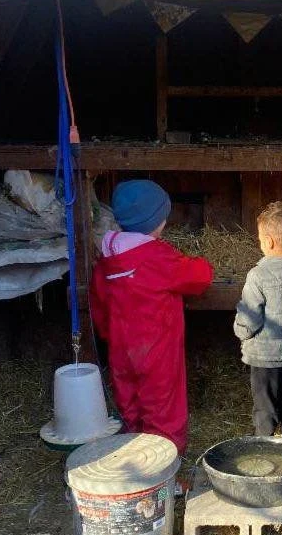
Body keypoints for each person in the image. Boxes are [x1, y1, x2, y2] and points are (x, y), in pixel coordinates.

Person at [90, 179, 213, 454]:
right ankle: (164, 463)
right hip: (157, 351)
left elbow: (99, 304)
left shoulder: (107, 259)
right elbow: (198, 278)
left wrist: (110, 336)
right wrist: (204, 263)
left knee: (129, 404)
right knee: (163, 409)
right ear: (157, 222)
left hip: (121, 350)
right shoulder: (157, 256)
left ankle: (133, 453)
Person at [233, 202, 282, 440]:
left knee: (265, 410)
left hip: (265, 359)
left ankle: (264, 444)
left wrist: (240, 330)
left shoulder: (258, 275)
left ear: (268, 242)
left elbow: (250, 318)